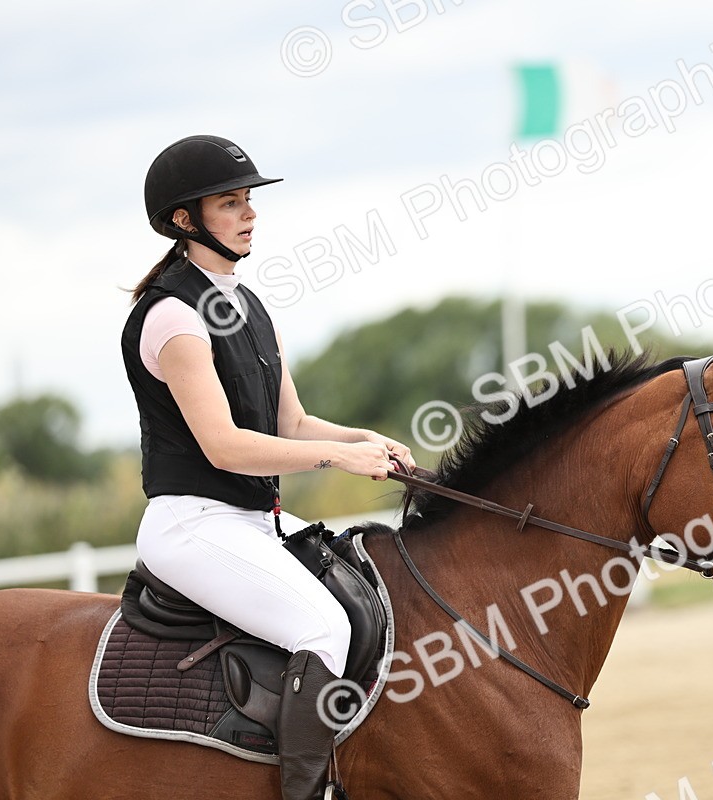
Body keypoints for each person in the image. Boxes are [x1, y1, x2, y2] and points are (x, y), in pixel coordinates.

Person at [122, 134, 414, 800]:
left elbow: (291, 425)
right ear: (184, 220)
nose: (250, 214)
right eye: (231, 203)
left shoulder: (248, 308)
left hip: (254, 522)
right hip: (193, 526)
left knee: (375, 580)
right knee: (322, 625)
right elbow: (225, 446)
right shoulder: (171, 316)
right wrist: (340, 457)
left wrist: (368, 438)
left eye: (249, 200)